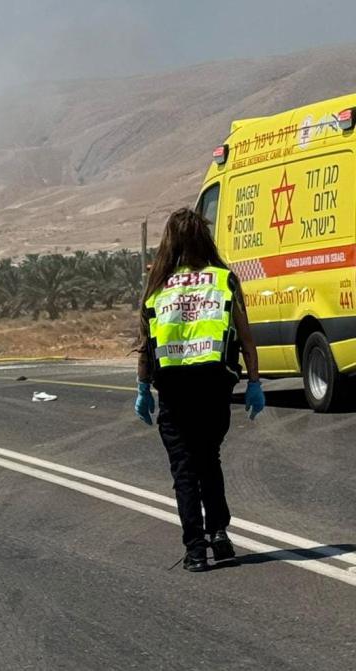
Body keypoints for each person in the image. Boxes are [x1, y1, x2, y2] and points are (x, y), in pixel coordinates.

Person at [135, 208, 265, 573]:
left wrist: (142, 388)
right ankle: (219, 535)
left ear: (169, 242)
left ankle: (195, 550)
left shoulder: (157, 287)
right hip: (213, 387)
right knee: (208, 460)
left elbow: (145, 346)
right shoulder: (223, 280)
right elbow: (246, 338)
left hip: (174, 389)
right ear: (204, 239)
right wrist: (255, 383)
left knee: (184, 469)